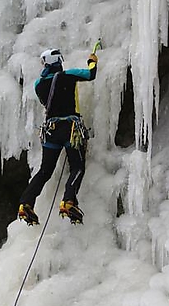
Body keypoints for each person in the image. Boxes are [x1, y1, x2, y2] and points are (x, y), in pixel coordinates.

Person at [18, 48, 98, 225]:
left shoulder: (38, 85)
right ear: (58, 61)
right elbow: (91, 74)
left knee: (45, 171)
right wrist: (92, 60)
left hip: (50, 132)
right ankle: (68, 200)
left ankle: (26, 203)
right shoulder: (69, 75)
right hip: (70, 128)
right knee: (77, 167)